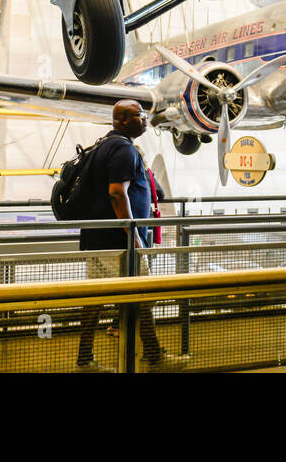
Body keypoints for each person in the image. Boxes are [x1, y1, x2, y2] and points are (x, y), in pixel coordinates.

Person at [75, 100, 186, 372]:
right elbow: (116, 192)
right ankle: (154, 356)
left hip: (96, 238)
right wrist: (132, 234)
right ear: (124, 119)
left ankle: (84, 359)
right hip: (119, 242)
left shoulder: (102, 146)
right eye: (141, 115)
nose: (146, 119)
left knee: (94, 301)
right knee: (142, 294)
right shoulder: (124, 150)